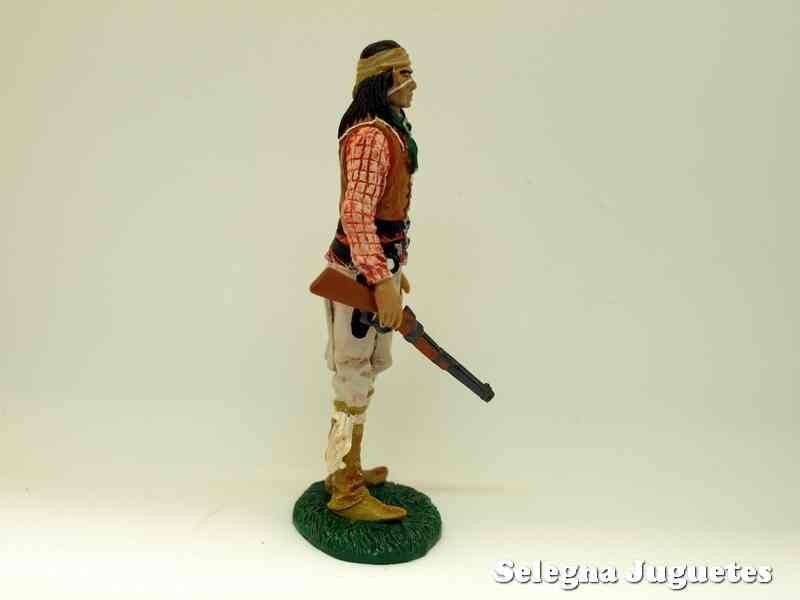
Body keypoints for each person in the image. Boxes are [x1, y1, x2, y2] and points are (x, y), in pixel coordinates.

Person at [320, 40, 418, 521]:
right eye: (404, 73)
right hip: (357, 278)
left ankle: (347, 466)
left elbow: (384, 217)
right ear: (383, 79)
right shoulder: (370, 138)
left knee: (366, 369)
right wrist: (380, 279)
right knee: (353, 373)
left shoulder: (391, 131)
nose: (413, 83)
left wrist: (394, 272)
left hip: (376, 270)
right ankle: (346, 489)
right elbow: (357, 215)